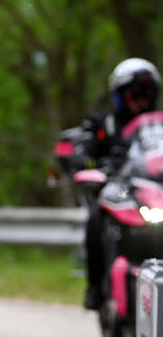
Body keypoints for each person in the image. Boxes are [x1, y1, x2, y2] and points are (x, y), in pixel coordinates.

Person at [58, 58, 161, 309]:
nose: (140, 101)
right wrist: (80, 161)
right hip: (119, 190)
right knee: (95, 217)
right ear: (120, 96)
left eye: (146, 95)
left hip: (154, 191)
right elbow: (77, 146)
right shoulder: (103, 125)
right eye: (134, 95)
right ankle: (95, 286)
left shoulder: (159, 129)